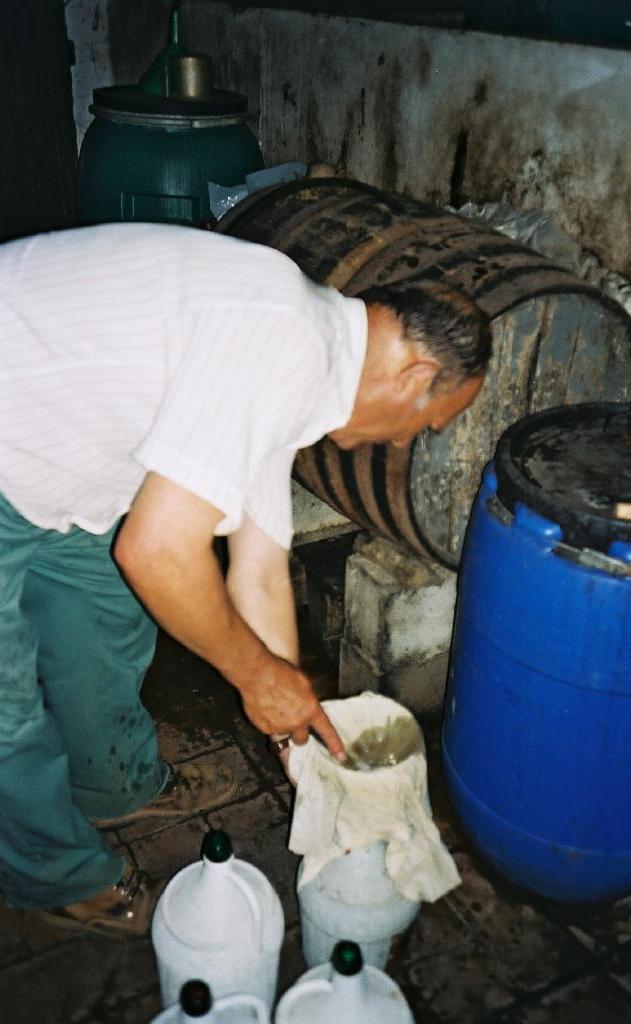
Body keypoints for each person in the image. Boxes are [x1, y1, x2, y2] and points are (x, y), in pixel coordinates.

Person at [0, 221, 490, 935]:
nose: (405, 442)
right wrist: (258, 677)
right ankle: (51, 876)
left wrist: (295, 743)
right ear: (414, 375)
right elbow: (159, 551)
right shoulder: (280, 340)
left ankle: (113, 784)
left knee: (104, 618)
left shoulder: (305, 349)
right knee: (7, 709)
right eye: (425, 424)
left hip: (53, 463)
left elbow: (257, 572)